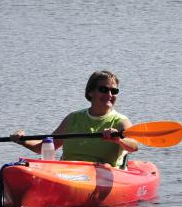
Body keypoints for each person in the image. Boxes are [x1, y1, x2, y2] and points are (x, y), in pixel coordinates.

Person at [11, 70, 139, 167]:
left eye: (114, 91)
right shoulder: (73, 118)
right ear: (90, 92)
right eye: (103, 89)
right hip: (69, 171)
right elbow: (43, 147)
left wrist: (119, 140)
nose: (109, 95)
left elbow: (134, 146)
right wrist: (21, 140)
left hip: (103, 173)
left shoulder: (121, 121)